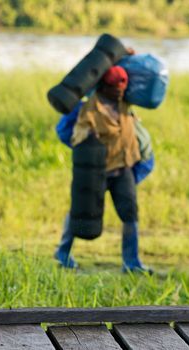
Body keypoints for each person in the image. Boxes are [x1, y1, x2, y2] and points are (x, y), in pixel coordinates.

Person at [54, 65, 152, 273]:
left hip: (122, 167)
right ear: (103, 86)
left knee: (130, 214)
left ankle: (132, 263)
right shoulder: (89, 109)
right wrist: (89, 138)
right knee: (80, 212)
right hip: (96, 172)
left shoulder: (125, 104)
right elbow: (76, 136)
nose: (119, 91)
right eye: (114, 87)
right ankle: (63, 253)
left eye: (122, 88)